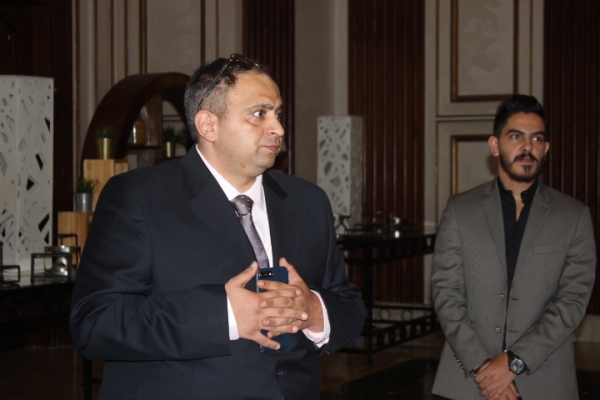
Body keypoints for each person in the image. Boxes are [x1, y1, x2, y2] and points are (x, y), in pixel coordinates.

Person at [69, 54, 366, 400]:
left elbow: (350, 306)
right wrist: (225, 315)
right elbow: (94, 323)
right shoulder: (139, 198)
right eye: (260, 114)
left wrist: (314, 311)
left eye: (278, 113)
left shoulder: (308, 202)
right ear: (208, 125)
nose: (278, 129)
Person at [431, 94, 596, 400]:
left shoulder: (573, 216)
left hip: (545, 381)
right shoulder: (460, 210)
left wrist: (515, 362)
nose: (527, 147)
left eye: (537, 138)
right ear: (495, 145)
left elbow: (573, 301)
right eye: (516, 136)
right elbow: (446, 293)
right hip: (469, 381)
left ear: (546, 149)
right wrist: (484, 367)